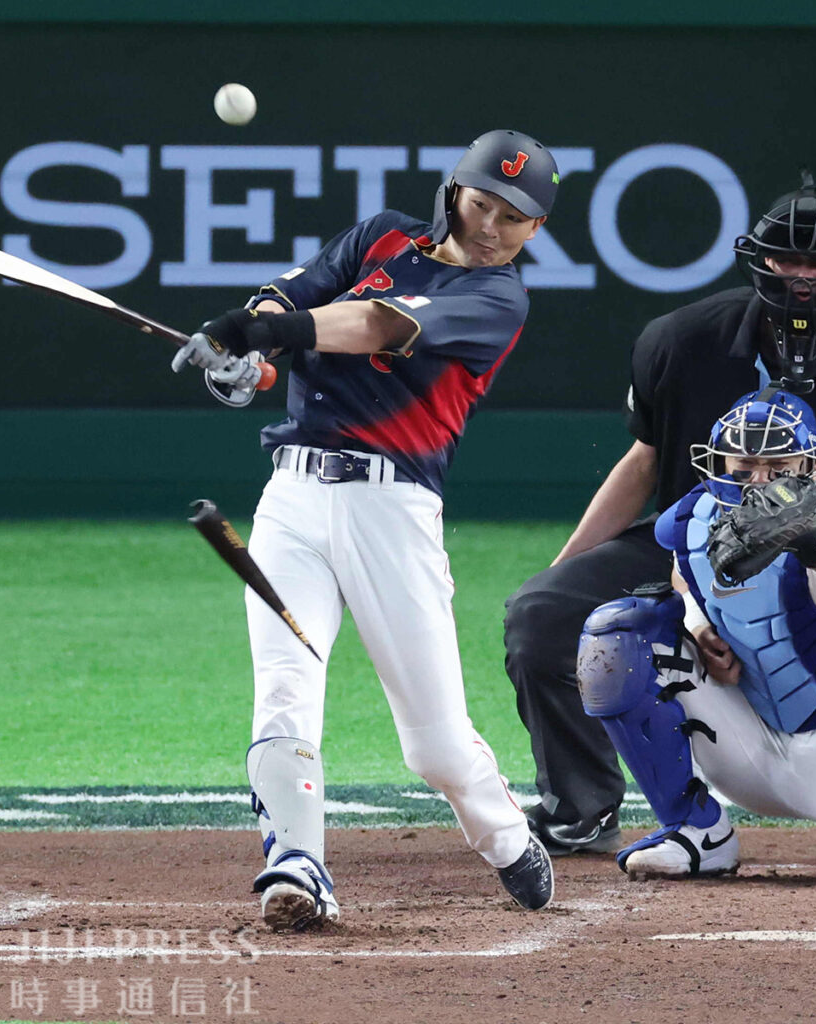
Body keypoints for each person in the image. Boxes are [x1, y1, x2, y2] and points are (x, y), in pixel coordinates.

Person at [173, 130, 560, 929]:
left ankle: (504, 833)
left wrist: (263, 334)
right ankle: (296, 863)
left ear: (536, 228)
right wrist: (249, 354)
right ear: (454, 193)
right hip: (291, 499)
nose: (491, 226)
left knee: (435, 747)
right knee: (285, 688)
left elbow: (375, 326)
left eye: (513, 216)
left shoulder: (498, 300)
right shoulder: (381, 236)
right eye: (481, 203)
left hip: (393, 513)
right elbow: (293, 297)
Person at [502, 173, 816, 856]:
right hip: (698, 543)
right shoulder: (683, 340)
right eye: (789, 259)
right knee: (542, 614)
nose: (803, 278)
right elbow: (644, 462)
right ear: (760, 258)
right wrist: (565, 570)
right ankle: (584, 808)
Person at [576, 388, 816, 878]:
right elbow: (685, 571)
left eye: (778, 466)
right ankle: (698, 831)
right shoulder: (694, 520)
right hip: (750, 748)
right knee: (617, 633)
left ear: (812, 466)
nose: (759, 480)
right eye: (745, 465)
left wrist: (809, 537)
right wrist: (699, 625)